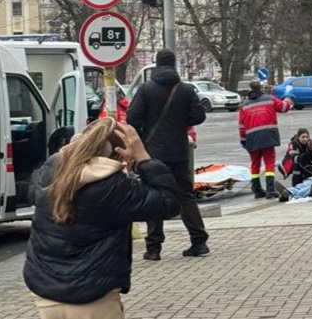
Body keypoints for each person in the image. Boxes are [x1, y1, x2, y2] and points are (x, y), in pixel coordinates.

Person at [23, 118, 181, 319]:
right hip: (93, 294)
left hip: (46, 292)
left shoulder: (51, 170)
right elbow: (169, 203)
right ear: (121, 154)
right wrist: (143, 158)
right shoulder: (114, 187)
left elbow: (32, 193)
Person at [127, 48, 209, 261]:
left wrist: (145, 132)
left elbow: (132, 118)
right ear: (173, 65)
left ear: (156, 64)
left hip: (153, 153)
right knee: (185, 195)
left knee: (154, 196)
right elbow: (199, 116)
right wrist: (180, 122)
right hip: (179, 151)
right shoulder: (185, 89)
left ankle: (154, 248)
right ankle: (198, 241)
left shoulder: (146, 89)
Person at [239, 81, 292, 199]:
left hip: (252, 137)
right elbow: (283, 107)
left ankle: (257, 190)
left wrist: (243, 139)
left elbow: (242, 125)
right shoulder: (269, 99)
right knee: (269, 162)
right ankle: (270, 190)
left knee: (255, 164)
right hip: (268, 135)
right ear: (261, 88)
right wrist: (288, 98)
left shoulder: (244, 105)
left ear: (250, 89)